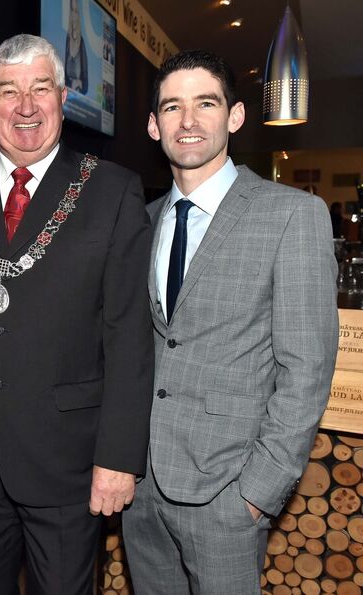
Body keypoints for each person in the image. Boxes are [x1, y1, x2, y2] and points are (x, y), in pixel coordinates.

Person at [0, 34, 153, 595]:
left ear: (64, 97)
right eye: (8, 91)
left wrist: (119, 457)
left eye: (40, 89)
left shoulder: (113, 191)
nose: (25, 106)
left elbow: (129, 334)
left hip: (68, 466)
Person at [122, 49, 338, 594]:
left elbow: (307, 367)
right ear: (153, 125)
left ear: (235, 117)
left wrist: (256, 493)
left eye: (205, 103)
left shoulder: (291, 215)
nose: (188, 121)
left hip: (227, 494)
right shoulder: (140, 224)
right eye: (172, 107)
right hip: (141, 488)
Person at [64, 0, 88, 93]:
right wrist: (71, 83)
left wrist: (79, 83)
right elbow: (64, 77)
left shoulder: (81, 43)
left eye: (76, 11)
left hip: (76, 101)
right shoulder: (67, 40)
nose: (74, 16)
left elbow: (85, 86)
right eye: (72, 11)